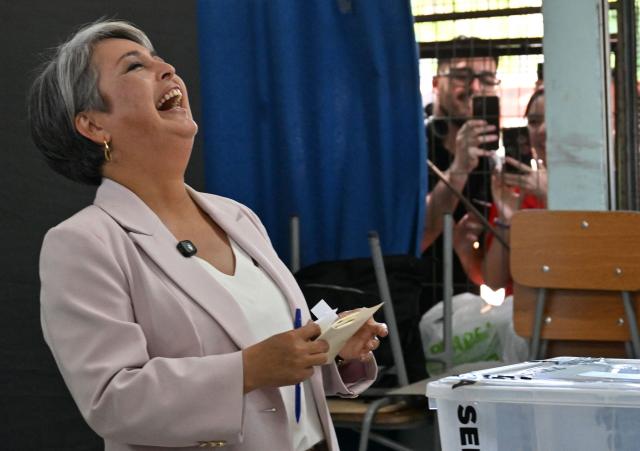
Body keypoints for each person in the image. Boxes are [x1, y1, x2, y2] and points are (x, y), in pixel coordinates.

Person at [29, 20, 387, 451]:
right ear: (93, 126)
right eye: (134, 67)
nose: (167, 68)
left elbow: (278, 364)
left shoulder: (237, 216)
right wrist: (247, 369)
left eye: (159, 57)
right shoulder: (83, 244)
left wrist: (333, 349)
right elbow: (110, 400)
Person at [422, 36, 500, 302]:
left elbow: (491, 278)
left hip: (466, 313)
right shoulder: (414, 146)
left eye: (487, 79)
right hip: (413, 307)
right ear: (436, 83)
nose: (475, 87)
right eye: (462, 76)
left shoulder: (489, 161)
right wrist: (460, 167)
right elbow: (417, 236)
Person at [483, 89, 547, 290]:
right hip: (522, 313)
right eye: (534, 121)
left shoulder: (596, 186)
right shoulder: (517, 192)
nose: (542, 130)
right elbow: (493, 281)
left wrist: (550, 195)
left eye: (553, 118)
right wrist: (506, 220)